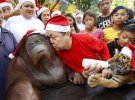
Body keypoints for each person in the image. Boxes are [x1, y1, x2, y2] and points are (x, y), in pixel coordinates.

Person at [45, 15, 111, 85]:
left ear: (67, 34)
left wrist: (107, 66)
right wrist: (74, 72)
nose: (51, 41)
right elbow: (65, 67)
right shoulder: (56, 51)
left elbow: (103, 47)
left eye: (54, 37)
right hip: (82, 83)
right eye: (49, 38)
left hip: (100, 75)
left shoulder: (85, 39)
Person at [0, 7, 17, 100]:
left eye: (0, 14)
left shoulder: (9, 35)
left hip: (8, 80)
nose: (0, 17)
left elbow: (17, 53)